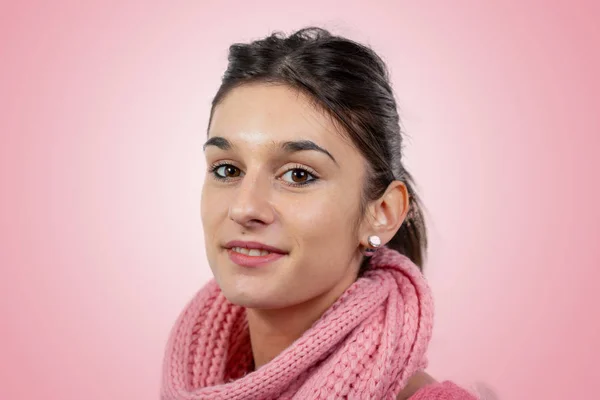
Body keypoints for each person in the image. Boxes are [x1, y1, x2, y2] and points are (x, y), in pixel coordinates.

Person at [161, 27, 478, 399]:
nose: (245, 207)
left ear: (383, 212)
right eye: (227, 170)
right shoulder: (185, 380)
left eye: (298, 175)